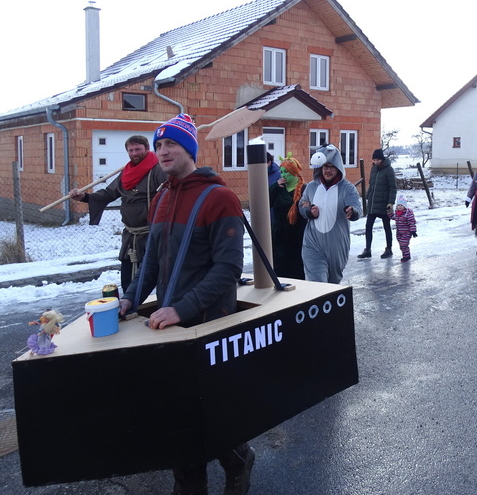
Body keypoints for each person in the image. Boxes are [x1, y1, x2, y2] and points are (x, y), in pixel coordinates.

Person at [117, 114, 254, 495]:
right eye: (159, 144)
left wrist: (183, 308)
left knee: (212, 409)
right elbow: (152, 262)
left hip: (209, 320)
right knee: (177, 411)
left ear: (190, 150)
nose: (163, 151)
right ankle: (188, 487)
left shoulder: (220, 198)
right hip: (170, 322)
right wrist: (130, 298)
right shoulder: (161, 198)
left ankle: (239, 460)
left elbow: (228, 269)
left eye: (172, 144)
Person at [69, 135, 167, 292]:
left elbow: (171, 195)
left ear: (147, 149)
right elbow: (109, 193)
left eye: (138, 149)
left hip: (152, 235)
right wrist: (85, 197)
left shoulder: (158, 170)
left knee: (156, 279)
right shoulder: (127, 172)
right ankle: (130, 304)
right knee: (128, 280)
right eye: (131, 150)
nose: (134, 153)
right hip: (131, 236)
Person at [298, 144, 362, 283]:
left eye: (332, 167)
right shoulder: (311, 187)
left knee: (332, 285)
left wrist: (353, 211)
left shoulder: (348, 189)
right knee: (317, 283)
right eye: (325, 167)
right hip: (312, 243)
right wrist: (309, 211)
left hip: (336, 245)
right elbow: (302, 205)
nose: (328, 170)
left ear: (338, 168)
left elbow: (358, 208)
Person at [269, 154, 306, 280]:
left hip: (297, 237)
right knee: (279, 269)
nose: (283, 175)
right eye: (282, 172)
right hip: (279, 237)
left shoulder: (304, 189)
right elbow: (266, 202)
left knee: (296, 270)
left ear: (294, 173)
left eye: (286, 172)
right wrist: (274, 186)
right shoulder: (278, 188)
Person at [358, 148, 397, 259]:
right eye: (374, 160)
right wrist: (368, 196)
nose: (376, 162)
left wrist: (390, 202)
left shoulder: (389, 170)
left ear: (382, 159)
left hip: (384, 204)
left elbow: (393, 187)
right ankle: (367, 249)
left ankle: (389, 249)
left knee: (386, 226)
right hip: (373, 203)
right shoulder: (374, 169)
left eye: (378, 160)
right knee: (368, 226)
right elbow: (372, 184)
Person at [388, 194, 417, 263]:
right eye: (398, 205)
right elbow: (393, 217)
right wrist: (389, 212)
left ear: (404, 206)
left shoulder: (407, 213)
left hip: (407, 232)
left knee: (403, 244)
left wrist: (413, 231)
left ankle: (406, 256)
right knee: (402, 245)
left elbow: (411, 222)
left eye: (401, 205)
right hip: (399, 233)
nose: (400, 207)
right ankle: (406, 255)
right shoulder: (397, 213)